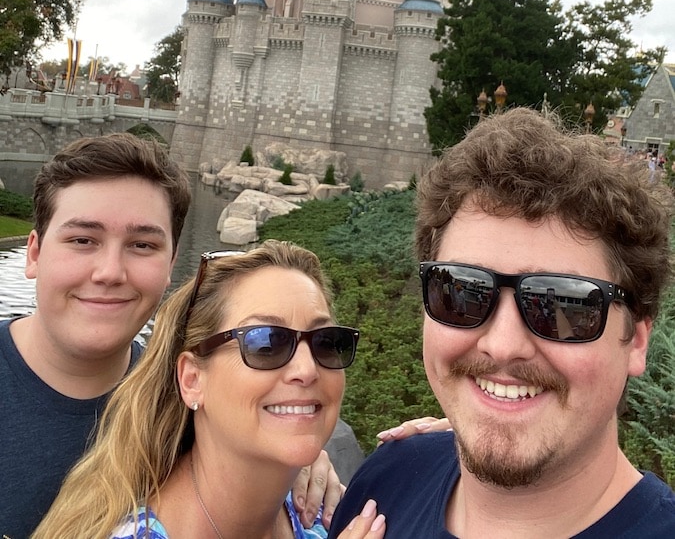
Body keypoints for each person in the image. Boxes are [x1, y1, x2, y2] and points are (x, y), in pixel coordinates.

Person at [330, 107, 675, 537]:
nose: (503, 344)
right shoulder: (384, 486)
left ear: (636, 340)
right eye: (463, 292)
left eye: (563, 304)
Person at [0, 133, 340, 539]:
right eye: (82, 240)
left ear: (171, 264)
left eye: (142, 245)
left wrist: (293, 452)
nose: (110, 272)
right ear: (34, 253)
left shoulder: (187, 407)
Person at [33, 240, 386, 539]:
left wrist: (441, 443)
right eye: (266, 343)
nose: (307, 370)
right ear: (192, 380)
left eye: (326, 341)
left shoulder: (316, 514)